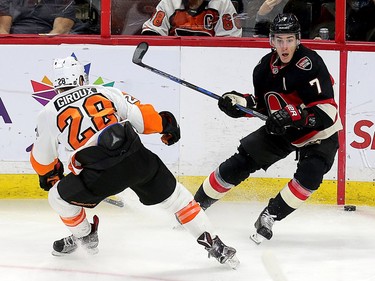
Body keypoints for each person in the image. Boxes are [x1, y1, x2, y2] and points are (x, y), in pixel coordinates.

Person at [29, 56, 239, 268]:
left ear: (56, 85)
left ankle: (85, 236)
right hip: (137, 160)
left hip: (98, 176)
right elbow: (144, 119)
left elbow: (43, 160)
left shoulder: (48, 112)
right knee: (178, 200)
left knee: (57, 198)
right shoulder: (104, 91)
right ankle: (216, 246)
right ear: (82, 79)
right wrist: (166, 126)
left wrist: (50, 176)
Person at [193, 13, 343, 244]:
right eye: (280, 40)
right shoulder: (263, 69)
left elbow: (327, 111)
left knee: (311, 176)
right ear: (271, 41)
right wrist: (237, 104)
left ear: (298, 40)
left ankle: (270, 215)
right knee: (240, 163)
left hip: (319, 134)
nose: (285, 46)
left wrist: (296, 116)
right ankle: (196, 206)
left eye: (290, 40)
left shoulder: (310, 63)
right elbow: (262, 105)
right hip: (284, 130)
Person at [141, 0, 242, 37]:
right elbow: (152, 33)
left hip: (212, 63)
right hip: (173, 61)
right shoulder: (170, 2)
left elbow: (230, 41)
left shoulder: (222, 3)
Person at [0, 0, 80, 34]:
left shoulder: (63, 1)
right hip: (14, 45)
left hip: (48, 45)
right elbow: (2, 30)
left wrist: (42, 47)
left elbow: (60, 31)